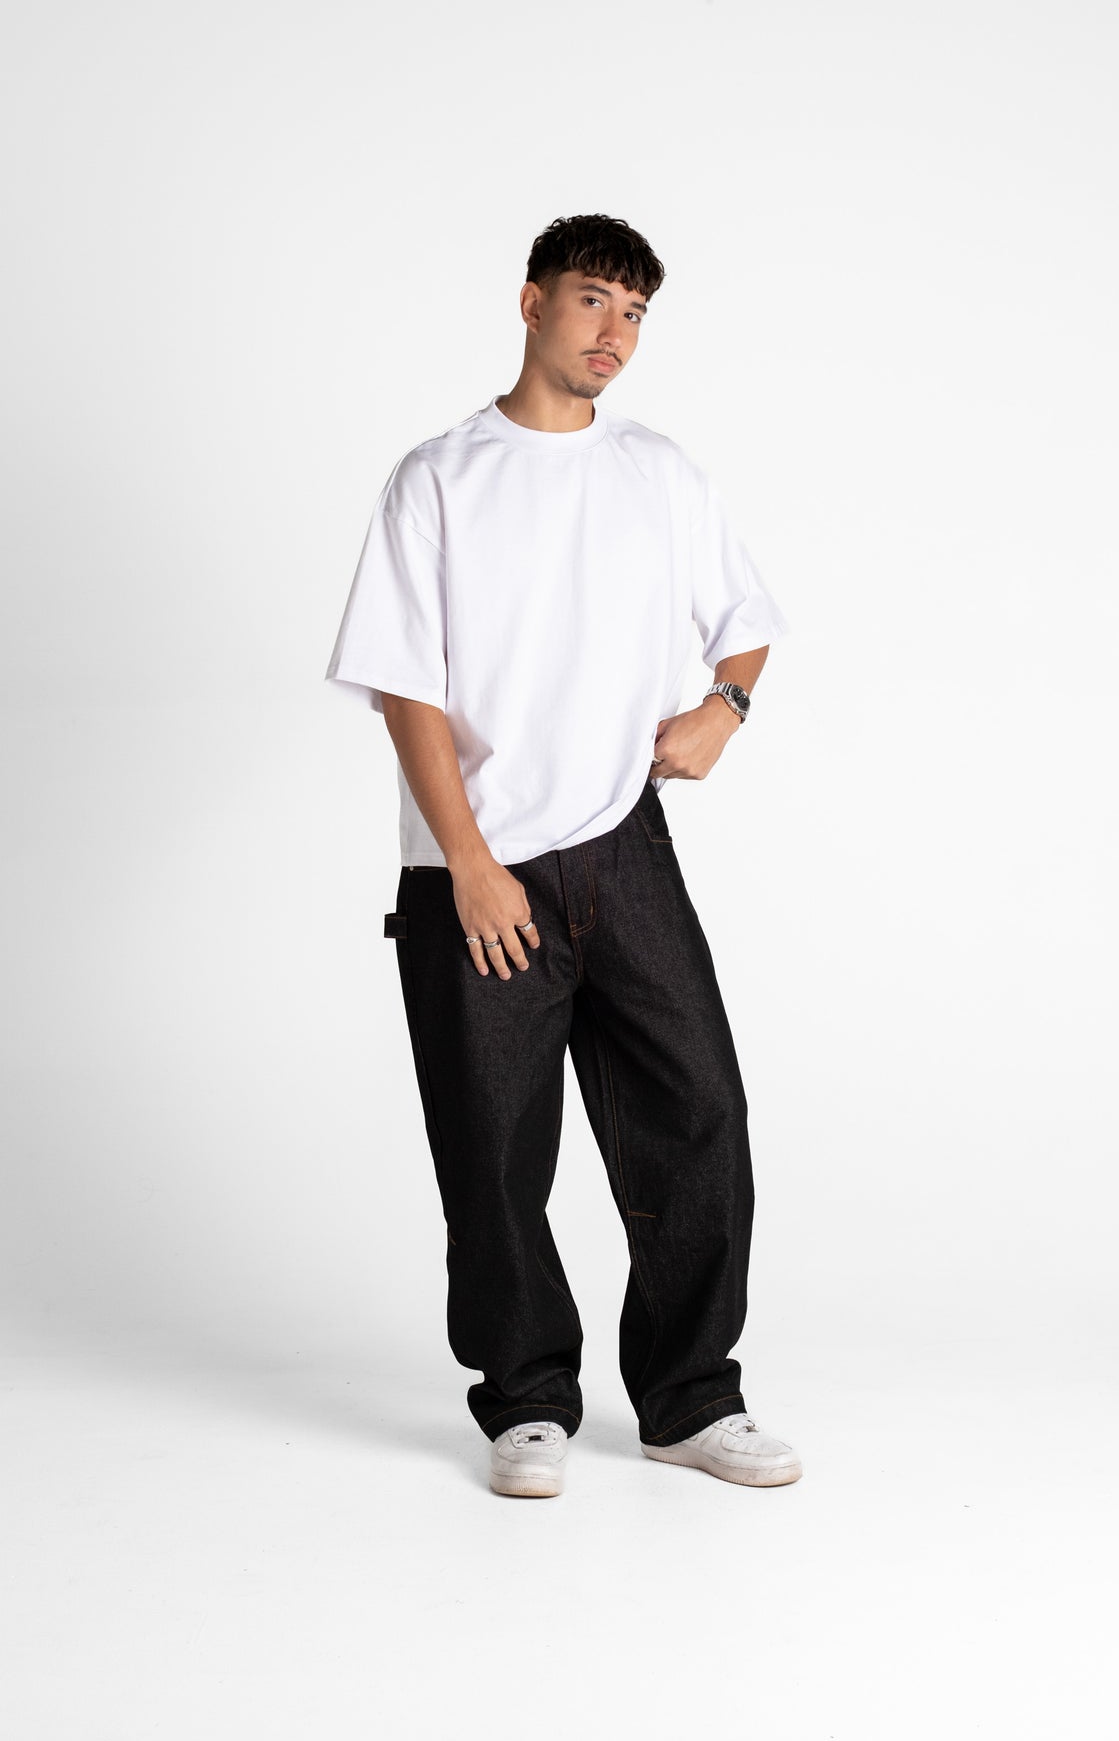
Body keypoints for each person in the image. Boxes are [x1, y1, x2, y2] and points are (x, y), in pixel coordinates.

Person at [325, 214, 802, 1497]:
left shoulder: (657, 470)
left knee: (697, 1113)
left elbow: (745, 620)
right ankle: (526, 1399)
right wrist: (467, 863)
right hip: (475, 866)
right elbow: (405, 686)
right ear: (531, 301)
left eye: (635, 312)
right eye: (594, 299)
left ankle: (689, 1397)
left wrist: (723, 708)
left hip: (621, 843)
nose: (615, 333)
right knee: (492, 1146)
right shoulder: (439, 476)